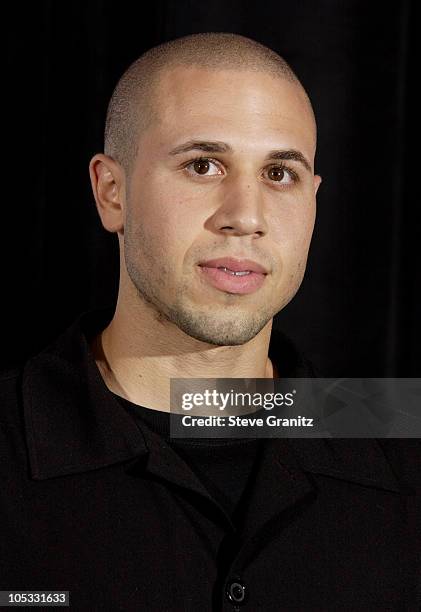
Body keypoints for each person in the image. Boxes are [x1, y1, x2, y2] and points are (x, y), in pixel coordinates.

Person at [0, 32, 419, 611]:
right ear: (110, 191)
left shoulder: (401, 439)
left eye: (280, 174)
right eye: (203, 165)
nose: (246, 217)